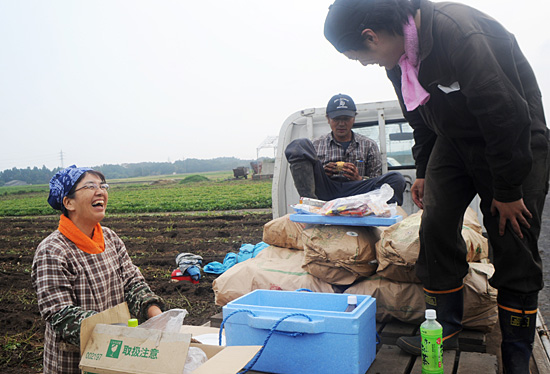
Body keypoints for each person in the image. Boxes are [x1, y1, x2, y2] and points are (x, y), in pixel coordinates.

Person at [324, 1, 549, 372]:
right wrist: (426, 169)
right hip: (454, 141)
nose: (368, 64)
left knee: (513, 238)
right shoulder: (398, 60)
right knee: (435, 225)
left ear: (371, 36)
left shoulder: (457, 31)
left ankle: (517, 351)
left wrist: (508, 191)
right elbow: (420, 117)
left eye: (359, 57)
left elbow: (505, 113)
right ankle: (444, 324)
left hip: (513, 140)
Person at [31, 165, 165, 374]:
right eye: (90, 186)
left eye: (103, 186)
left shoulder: (110, 238)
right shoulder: (53, 250)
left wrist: (157, 317)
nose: (101, 191)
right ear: (68, 202)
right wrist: (117, 333)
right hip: (75, 361)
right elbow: (61, 315)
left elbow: (132, 284)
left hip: (116, 351)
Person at [285, 93, 406, 205]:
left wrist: (359, 178)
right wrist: (324, 173)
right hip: (326, 191)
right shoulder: (316, 145)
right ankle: (310, 204)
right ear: (328, 119)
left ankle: (383, 213)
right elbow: (310, 177)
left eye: (346, 119)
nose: (341, 124)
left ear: (354, 118)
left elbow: (376, 179)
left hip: (358, 192)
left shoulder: (369, 145)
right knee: (299, 145)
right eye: (336, 119)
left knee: (396, 178)